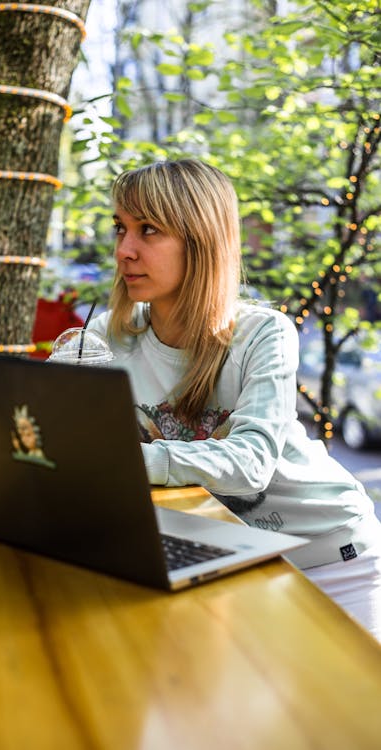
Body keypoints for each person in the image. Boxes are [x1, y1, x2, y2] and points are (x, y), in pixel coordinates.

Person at [89, 158, 381, 641]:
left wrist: (122, 462)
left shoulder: (263, 333)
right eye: (120, 229)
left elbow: (250, 464)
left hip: (330, 556)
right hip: (235, 555)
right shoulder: (107, 337)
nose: (125, 250)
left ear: (200, 241)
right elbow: (60, 437)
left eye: (148, 230)